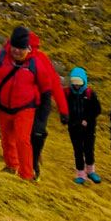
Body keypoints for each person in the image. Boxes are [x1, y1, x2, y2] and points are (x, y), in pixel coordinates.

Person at [0, 26, 61, 183]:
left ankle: (27, 175)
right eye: (15, 47)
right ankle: (11, 166)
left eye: (21, 48)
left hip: (25, 107)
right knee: (6, 138)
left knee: (22, 140)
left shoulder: (35, 64)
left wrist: (42, 118)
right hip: (3, 107)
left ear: (27, 48)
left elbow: (46, 89)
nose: (17, 51)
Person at [25, 31, 69, 178]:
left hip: (41, 104)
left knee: (37, 133)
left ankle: (34, 163)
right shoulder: (13, 59)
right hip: (22, 103)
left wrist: (63, 109)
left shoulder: (41, 59)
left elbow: (54, 83)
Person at [65, 68, 102, 185]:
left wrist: (87, 120)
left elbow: (97, 109)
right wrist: (71, 121)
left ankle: (91, 171)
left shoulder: (90, 94)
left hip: (89, 128)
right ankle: (81, 174)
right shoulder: (67, 93)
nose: (76, 86)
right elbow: (64, 108)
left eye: (78, 83)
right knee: (78, 151)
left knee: (89, 149)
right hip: (74, 127)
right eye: (74, 83)